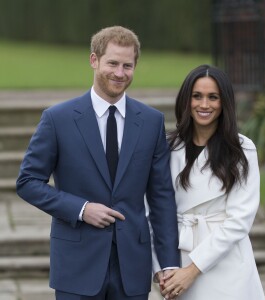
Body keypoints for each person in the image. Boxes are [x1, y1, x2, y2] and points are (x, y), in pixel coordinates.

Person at [16, 26, 180, 300]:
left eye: (127, 65)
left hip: (133, 266)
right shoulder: (58, 119)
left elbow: (162, 196)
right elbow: (28, 182)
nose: (119, 73)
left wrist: (169, 262)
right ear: (94, 60)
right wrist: (81, 209)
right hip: (76, 263)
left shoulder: (152, 122)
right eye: (112, 63)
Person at [153, 64, 265, 299]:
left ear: (224, 102)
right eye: (197, 96)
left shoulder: (242, 149)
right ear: (186, 99)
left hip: (225, 264)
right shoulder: (166, 147)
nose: (204, 105)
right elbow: (152, 211)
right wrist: (161, 269)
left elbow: (239, 221)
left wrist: (192, 270)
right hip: (176, 261)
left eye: (213, 97)